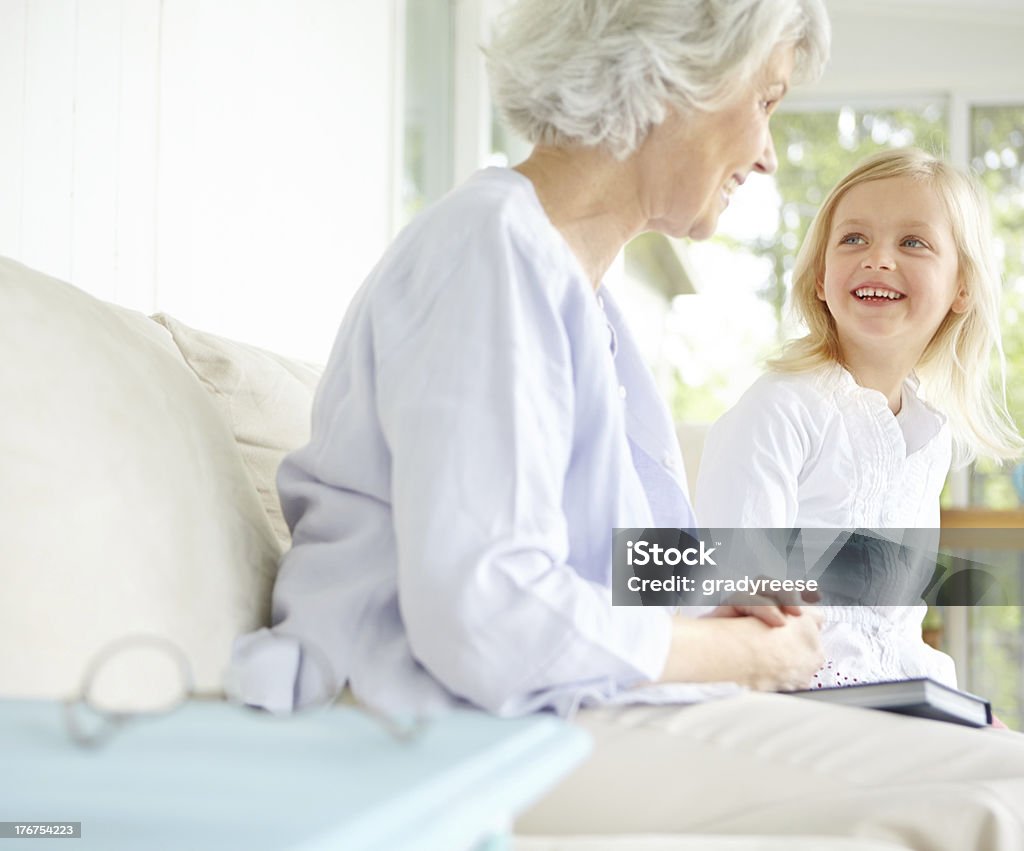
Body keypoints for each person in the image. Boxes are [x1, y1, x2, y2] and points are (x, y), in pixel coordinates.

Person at [229, 2, 1024, 847]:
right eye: (765, 101)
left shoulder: (582, 293)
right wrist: (741, 658)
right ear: (674, 76)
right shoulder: (490, 251)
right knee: (1001, 798)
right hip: (453, 730)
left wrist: (724, 588)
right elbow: (487, 613)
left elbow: (578, 554)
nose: (766, 153)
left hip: (556, 703)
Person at [696, 148, 1024, 690]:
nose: (878, 259)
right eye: (853, 239)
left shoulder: (928, 437)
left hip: (890, 702)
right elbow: (735, 605)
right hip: (790, 709)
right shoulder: (780, 410)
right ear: (821, 278)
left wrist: (955, 708)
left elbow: (898, 631)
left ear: (962, 287)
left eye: (912, 242)